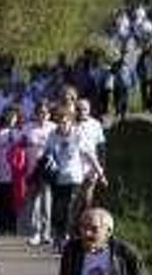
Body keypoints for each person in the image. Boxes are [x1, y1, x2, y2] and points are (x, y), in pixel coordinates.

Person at [42, 107, 105, 250]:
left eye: (65, 122)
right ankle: (58, 236)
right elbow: (46, 153)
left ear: (70, 121)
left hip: (74, 178)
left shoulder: (77, 134)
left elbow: (90, 155)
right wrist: (49, 161)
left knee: (70, 208)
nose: (62, 125)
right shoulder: (52, 135)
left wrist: (100, 173)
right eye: (59, 122)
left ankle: (66, 238)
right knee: (58, 209)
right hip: (57, 178)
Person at [58, 208, 148, 275]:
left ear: (108, 231)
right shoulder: (72, 250)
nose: (87, 233)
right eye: (84, 227)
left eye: (94, 229)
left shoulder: (125, 252)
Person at [21, 100, 56, 246]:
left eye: (45, 113)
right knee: (34, 203)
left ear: (49, 114)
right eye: (40, 112)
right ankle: (35, 233)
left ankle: (46, 233)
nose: (42, 115)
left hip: (48, 171)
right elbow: (20, 147)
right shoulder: (28, 127)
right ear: (35, 114)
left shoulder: (54, 128)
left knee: (47, 203)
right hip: (32, 170)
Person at [0, 105, 25, 236]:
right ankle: (1, 226)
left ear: (17, 118)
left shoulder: (21, 132)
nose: (11, 119)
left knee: (13, 201)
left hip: (15, 173)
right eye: (8, 116)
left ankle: (12, 226)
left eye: (13, 116)